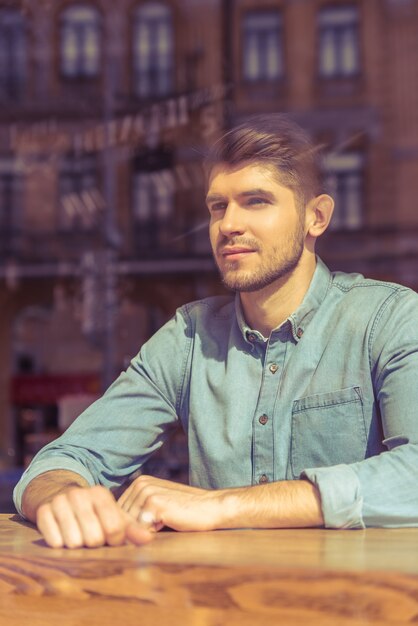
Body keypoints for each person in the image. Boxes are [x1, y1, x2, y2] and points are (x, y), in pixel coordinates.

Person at [13, 114, 418, 549]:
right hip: (219, 606)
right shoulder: (188, 339)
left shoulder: (389, 318)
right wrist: (65, 498)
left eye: (256, 201)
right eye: (217, 207)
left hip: (358, 609)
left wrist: (222, 506)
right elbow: (63, 460)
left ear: (315, 217)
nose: (228, 225)